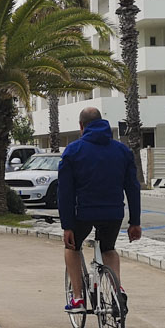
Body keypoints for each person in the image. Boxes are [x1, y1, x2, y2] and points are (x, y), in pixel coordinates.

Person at [57, 107, 141, 313]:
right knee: (108, 249)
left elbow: (65, 193)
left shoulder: (73, 151)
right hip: (113, 213)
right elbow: (133, 188)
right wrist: (135, 222)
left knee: (72, 248)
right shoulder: (122, 151)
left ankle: (78, 298)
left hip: (82, 213)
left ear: (81, 127)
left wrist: (67, 226)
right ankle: (116, 290)